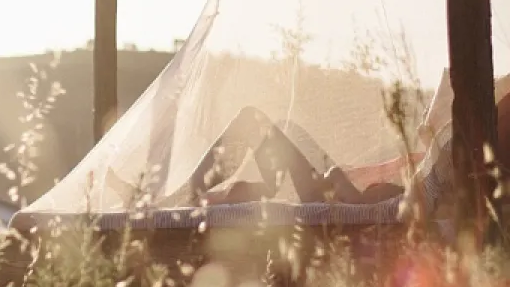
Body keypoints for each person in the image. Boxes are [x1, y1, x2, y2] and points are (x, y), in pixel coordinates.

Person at [107, 85, 510, 210]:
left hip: (351, 203)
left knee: (255, 119)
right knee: (278, 127)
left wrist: (358, 189)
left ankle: (176, 200)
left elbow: (411, 203)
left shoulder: (475, 160)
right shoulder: (470, 153)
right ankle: (233, 193)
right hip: (352, 195)